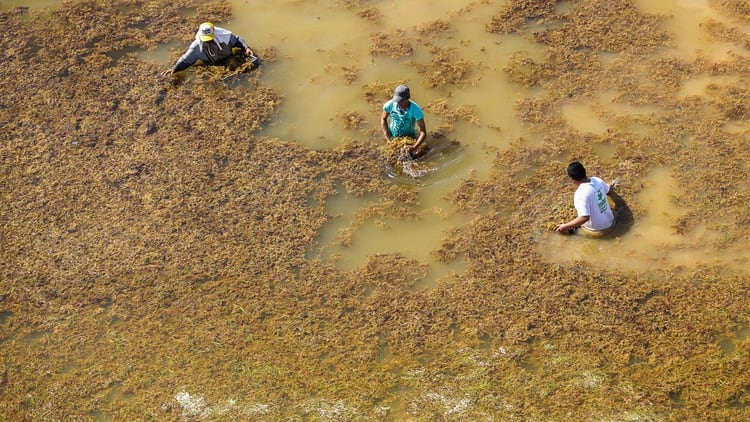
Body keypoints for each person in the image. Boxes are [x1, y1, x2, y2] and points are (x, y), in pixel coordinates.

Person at [160, 22, 255, 76]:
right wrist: (174, 69)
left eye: (210, 39)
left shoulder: (225, 37)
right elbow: (186, 60)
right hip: (214, 66)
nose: (208, 42)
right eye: (206, 40)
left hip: (230, 59)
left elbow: (238, 40)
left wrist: (246, 48)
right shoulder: (197, 47)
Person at [555, 161, 618, 236]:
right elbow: (609, 191)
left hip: (597, 231)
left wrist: (565, 226)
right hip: (611, 221)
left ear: (572, 179)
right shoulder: (597, 180)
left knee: (569, 231)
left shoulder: (580, 194)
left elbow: (584, 218)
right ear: (584, 171)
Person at [380, 85, 427, 155]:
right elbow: (383, 119)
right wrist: (387, 136)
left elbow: (423, 132)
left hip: (409, 137)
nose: (398, 103)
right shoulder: (390, 105)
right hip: (392, 136)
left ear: (407, 98)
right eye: (396, 100)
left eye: (401, 101)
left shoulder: (416, 110)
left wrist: (414, 147)